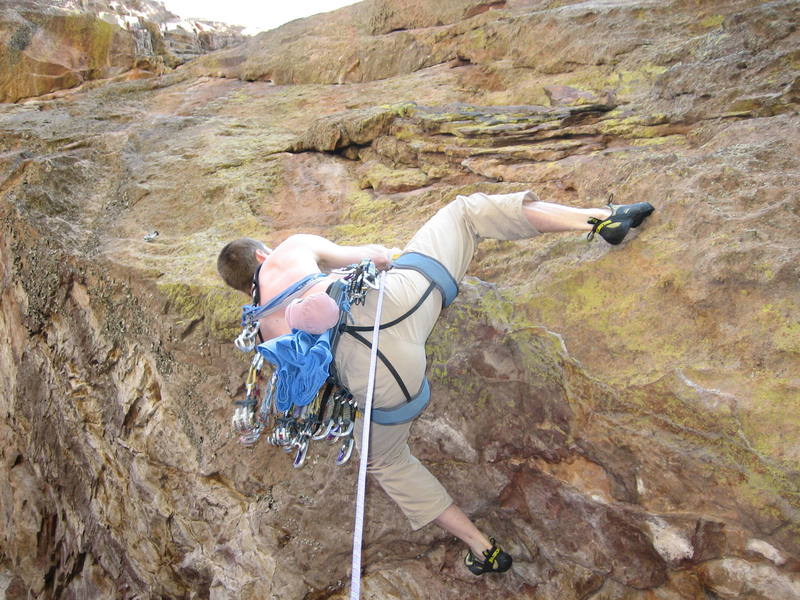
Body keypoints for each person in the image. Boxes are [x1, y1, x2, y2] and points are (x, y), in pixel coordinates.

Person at [217, 190, 654, 575]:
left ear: (243, 289)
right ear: (260, 255)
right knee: (466, 212)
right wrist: (386, 254)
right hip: (398, 303)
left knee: (386, 462)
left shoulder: (261, 331)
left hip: (384, 376)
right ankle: (600, 218)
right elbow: (375, 257)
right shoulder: (287, 251)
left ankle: (483, 548)